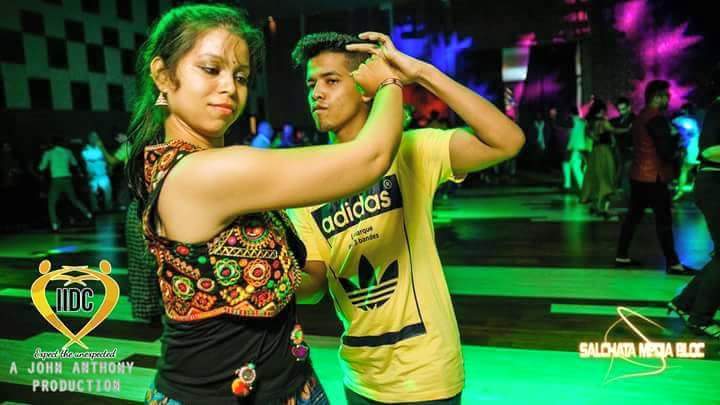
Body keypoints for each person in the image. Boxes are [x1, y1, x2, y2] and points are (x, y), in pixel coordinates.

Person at [127, 5, 405, 404]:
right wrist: (390, 80)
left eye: (240, 76)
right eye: (211, 69)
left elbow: (276, 284)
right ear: (163, 75)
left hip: (293, 385)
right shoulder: (201, 173)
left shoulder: (193, 166)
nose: (229, 87)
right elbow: (371, 158)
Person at [288, 32, 525, 404]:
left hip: (427, 372)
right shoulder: (308, 183)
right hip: (361, 377)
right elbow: (314, 284)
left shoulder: (412, 150)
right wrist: (264, 274)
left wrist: (421, 73)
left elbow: (507, 140)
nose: (316, 93)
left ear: (366, 89)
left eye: (331, 81)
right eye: (311, 84)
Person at [615, 80, 695, 275]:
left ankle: (621, 255)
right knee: (664, 221)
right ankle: (673, 263)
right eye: (667, 96)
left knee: (633, 217)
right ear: (657, 97)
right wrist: (676, 140)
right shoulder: (657, 119)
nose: (669, 99)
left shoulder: (641, 116)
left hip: (638, 175)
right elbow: (666, 152)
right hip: (655, 176)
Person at [667, 64, 720, 339]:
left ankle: (684, 302)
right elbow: (709, 150)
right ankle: (699, 319)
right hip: (714, 184)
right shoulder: (718, 109)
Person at [37, 135, 93, 232]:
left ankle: (55, 225)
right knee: (74, 199)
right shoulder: (68, 152)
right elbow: (74, 164)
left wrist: (43, 158)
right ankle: (88, 214)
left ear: (52, 143)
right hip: (67, 179)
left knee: (51, 203)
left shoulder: (49, 153)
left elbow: (41, 167)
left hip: (56, 180)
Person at [579, 100, 619, 218]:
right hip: (605, 152)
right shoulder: (603, 122)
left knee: (595, 179)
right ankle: (604, 208)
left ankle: (595, 206)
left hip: (595, 153)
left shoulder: (589, 124)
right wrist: (627, 129)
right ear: (601, 110)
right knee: (607, 178)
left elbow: (588, 139)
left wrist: (584, 158)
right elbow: (613, 132)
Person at [81, 131, 114, 212]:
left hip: (103, 174)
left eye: (96, 137)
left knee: (108, 191)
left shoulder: (101, 148)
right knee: (93, 193)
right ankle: (95, 209)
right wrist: (87, 173)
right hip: (92, 175)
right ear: (89, 139)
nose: (95, 139)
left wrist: (109, 169)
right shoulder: (85, 149)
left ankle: (108, 208)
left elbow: (107, 159)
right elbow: (84, 162)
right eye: (93, 137)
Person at [610, 97, 635, 196]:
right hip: (620, 150)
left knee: (626, 173)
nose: (621, 112)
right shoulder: (617, 120)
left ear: (629, 107)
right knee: (622, 173)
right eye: (619, 109)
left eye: (623, 109)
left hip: (631, 150)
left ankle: (628, 197)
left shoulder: (635, 119)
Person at [564, 107, 587, 191]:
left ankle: (572, 185)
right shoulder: (583, 121)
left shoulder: (572, 121)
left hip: (573, 146)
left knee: (572, 165)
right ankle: (575, 185)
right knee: (574, 165)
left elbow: (571, 133)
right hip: (582, 146)